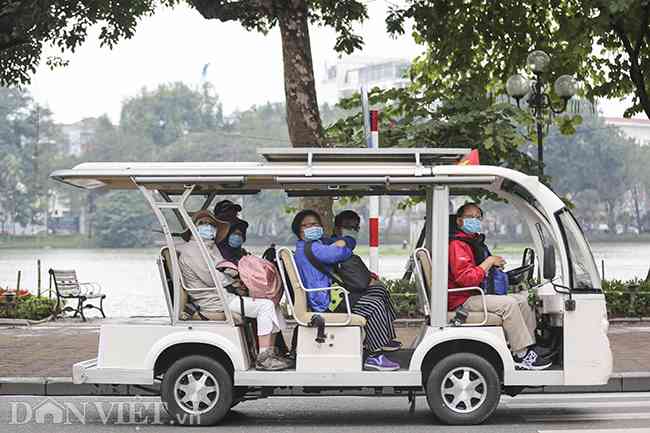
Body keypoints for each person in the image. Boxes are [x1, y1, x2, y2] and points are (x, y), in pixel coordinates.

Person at [176, 209, 290, 371]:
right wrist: (235, 281)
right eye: (202, 224)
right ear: (193, 227)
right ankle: (264, 358)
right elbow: (211, 278)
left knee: (271, 303)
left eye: (211, 224)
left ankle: (271, 352)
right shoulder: (192, 251)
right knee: (265, 306)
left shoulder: (209, 247)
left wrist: (237, 279)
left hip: (224, 296)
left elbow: (223, 269)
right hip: (216, 301)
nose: (208, 227)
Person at [292, 209, 400, 371]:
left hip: (332, 294)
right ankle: (374, 356)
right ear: (298, 230)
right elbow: (339, 253)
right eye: (305, 225)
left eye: (314, 224)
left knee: (379, 290)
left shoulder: (314, 245)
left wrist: (340, 242)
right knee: (374, 304)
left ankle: (384, 339)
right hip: (326, 302)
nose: (311, 227)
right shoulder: (312, 248)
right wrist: (347, 241)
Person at [448, 203, 551, 370]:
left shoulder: (472, 242)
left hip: (474, 294)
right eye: (469, 217)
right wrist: (489, 262)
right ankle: (521, 353)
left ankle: (529, 347)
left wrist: (494, 267)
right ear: (459, 221)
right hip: (462, 299)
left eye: (477, 217)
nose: (474, 220)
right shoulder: (457, 245)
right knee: (508, 304)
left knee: (522, 300)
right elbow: (466, 278)